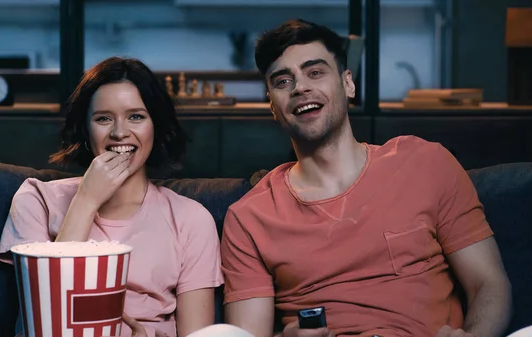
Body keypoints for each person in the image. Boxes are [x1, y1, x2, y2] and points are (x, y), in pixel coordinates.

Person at [220, 19, 515, 337]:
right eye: (282, 81)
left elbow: (489, 283)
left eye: (315, 72)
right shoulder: (248, 218)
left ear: (348, 84)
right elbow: (245, 335)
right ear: (273, 107)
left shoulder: (426, 163)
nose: (300, 87)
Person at [0, 56, 223, 337]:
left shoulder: (191, 219)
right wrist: (86, 201)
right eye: (103, 118)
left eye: (136, 117)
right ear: (85, 129)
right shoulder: (36, 199)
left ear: (156, 126)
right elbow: (47, 315)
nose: (119, 132)